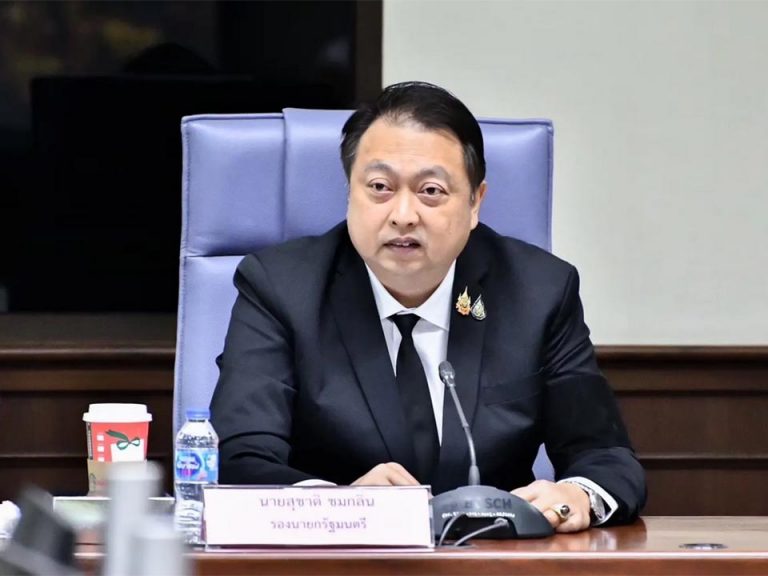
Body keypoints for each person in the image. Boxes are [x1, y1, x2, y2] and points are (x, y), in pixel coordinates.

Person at [210, 81, 646, 532]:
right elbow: (240, 459)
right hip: (340, 557)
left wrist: (577, 495)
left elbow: (606, 457)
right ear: (349, 191)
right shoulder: (281, 288)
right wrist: (340, 506)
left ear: (475, 203)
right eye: (380, 187)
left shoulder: (539, 292)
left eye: (431, 191)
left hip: (493, 557)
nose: (403, 215)